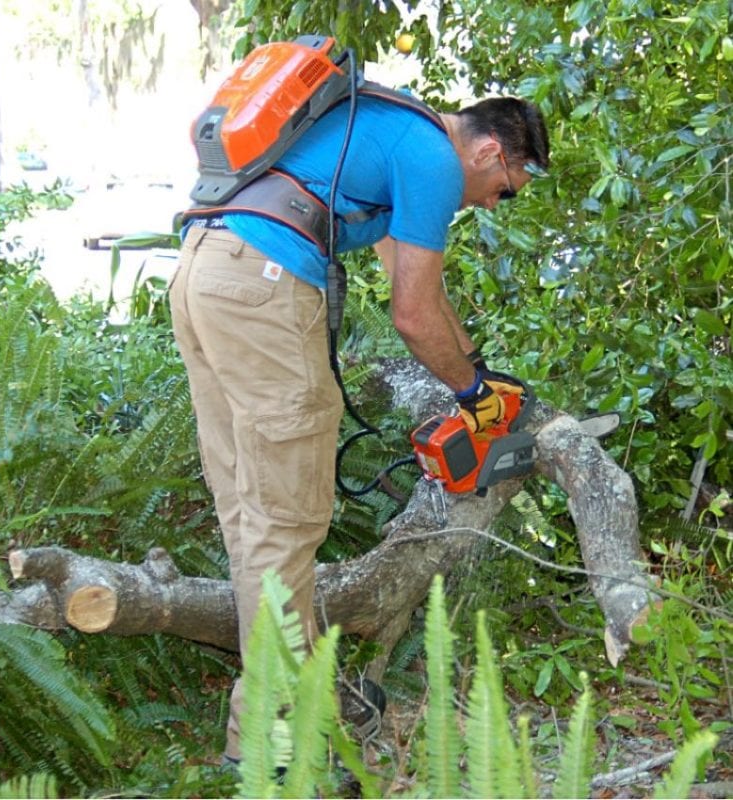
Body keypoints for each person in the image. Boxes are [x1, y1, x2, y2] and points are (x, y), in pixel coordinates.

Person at [168, 67, 550, 764]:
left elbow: (418, 293)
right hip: (264, 286)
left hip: (205, 271)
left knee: (253, 517)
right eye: (505, 190)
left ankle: (306, 696)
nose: (495, 204)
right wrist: (471, 396)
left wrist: (479, 371)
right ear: (494, 152)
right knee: (285, 525)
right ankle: (272, 745)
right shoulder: (435, 159)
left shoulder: (397, 131)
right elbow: (410, 317)